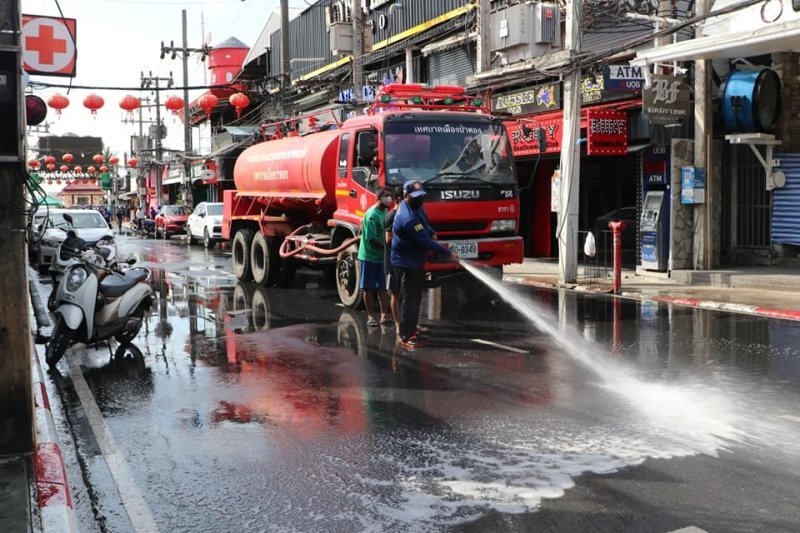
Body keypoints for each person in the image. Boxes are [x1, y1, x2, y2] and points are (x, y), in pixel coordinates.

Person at [391, 180, 458, 348]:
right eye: (415, 197)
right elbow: (424, 241)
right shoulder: (406, 218)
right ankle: (406, 335)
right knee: (409, 299)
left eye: (421, 196)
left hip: (415, 261)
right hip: (406, 263)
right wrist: (447, 253)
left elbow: (425, 226)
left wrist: (431, 231)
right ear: (406, 196)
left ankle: (411, 328)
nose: (419, 199)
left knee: (415, 297)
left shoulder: (417, 208)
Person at [358, 187, 393, 328]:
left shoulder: (385, 211)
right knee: (368, 288)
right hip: (369, 256)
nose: (389, 198)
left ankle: (384, 315)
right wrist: (387, 247)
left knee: (382, 287)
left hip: (381, 257)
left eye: (390, 195)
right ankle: (370, 316)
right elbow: (371, 238)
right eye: (386, 196)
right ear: (378, 198)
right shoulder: (372, 215)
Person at [383, 189, 404, 330]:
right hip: (392, 262)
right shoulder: (392, 216)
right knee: (395, 294)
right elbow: (389, 239)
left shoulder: (403, 215)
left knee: (403, 294)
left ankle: (405, 322)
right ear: (399, 199)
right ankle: (398, 324)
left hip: (403, 261)